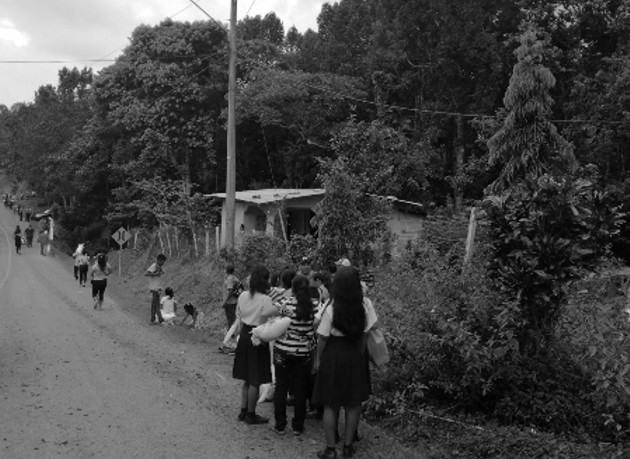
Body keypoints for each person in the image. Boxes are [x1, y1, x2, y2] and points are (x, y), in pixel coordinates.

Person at [313, 266, 376, 459]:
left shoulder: (332, 308)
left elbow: (322, 337)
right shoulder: (365, 305)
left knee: (331, 404)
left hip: (334, 354)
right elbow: (367, 332)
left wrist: (318, 359)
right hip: (356, 354)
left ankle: (331, 449)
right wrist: (360, 352)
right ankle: (348, 447)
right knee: (353, 402)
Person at [232, 264, 279, 425]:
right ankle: (251, 414)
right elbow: (267, 320)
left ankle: (243, 410)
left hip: (244, 335)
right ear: (264, 281)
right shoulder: (266, 299)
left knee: (246, 377)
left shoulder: (244, 295)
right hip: (257, 337)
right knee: (255, 379)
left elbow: (238, 314)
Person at [272, 274, 318, 436]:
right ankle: (298, 426)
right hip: (303, 353)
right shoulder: (315, 306)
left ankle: (280, 425)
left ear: (293, 288)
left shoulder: (285, 304)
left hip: (282, 352)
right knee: (300, 388)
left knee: (281, 387)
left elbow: (271, 311)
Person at [145, 254, 167, 324]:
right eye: (162, 262)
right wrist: (156, 274)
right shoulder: (154, 265)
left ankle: (153, 319)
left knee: (154, 305)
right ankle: (160, 320)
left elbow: (159, 275)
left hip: (157, 288)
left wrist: (161, 272)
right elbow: (146, 273)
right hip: (155, 289)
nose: (163, 263)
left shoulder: (159, 267)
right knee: (157, 305)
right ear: (159, 260)